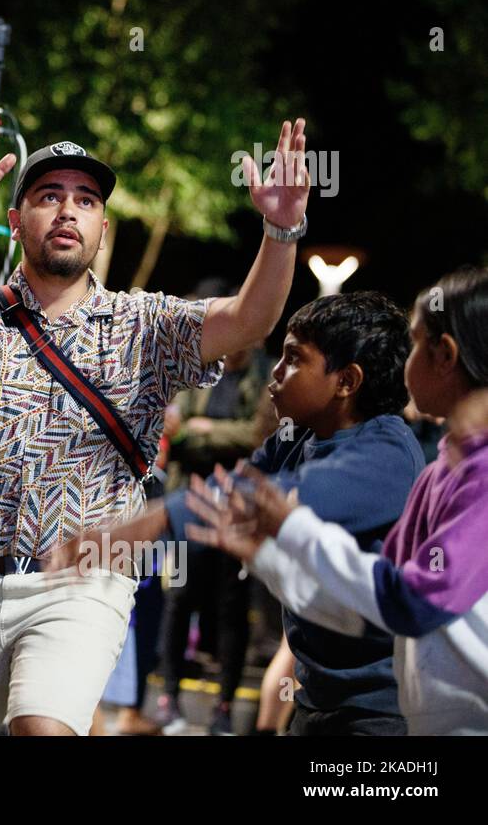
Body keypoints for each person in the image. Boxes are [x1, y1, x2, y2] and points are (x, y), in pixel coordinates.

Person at [0, 110, 311, 736]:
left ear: (103, 229)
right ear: (15, 221)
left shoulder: (145, 323)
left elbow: (250, 320)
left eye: (85, 200)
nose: (68, 210)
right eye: (49, 196)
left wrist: (281, 231)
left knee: (43, 728)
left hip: (79, 585)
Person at [56, 291, 426, 735]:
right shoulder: (295, 438)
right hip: (318, 696)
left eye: (294, 359)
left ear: (346, 381)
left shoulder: (389, 451)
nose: (276, 371)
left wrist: (150, 523)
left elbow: (274, 499)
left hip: (380, 710)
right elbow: (236, 485)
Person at [189, 267, 488, 734]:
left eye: (414, 343)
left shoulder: (462, 471)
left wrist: (292, 527)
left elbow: (412, 603)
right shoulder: (441, 470)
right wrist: (268, 556)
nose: (402, 359)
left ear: (445, 355)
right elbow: (371, 608)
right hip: (345, 708)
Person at [156, 341, 277, 735]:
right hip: (185, 502)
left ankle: (223, 707)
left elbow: (257, 434)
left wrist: (202, 430)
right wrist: (197, 432)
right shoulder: (199, 371)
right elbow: (173, 429)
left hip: (237, 507)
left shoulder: (265, 377)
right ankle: (168, 698)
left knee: (232, 606)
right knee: (178, 598)